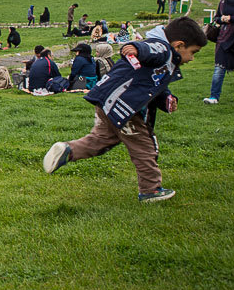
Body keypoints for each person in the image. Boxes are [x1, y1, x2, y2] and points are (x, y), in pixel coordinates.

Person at [42, 17, 207, 203]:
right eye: (193, 52)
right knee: (143, 147)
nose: (192, 58)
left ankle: (68, 150)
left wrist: (167, 99)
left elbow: (155, 84)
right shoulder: (163, 49)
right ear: (178, 45)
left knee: (100, 140)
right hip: (125, 108)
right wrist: (137, 48)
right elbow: (151, 51)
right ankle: (150, 190)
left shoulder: (165, 58)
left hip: (109, 104)